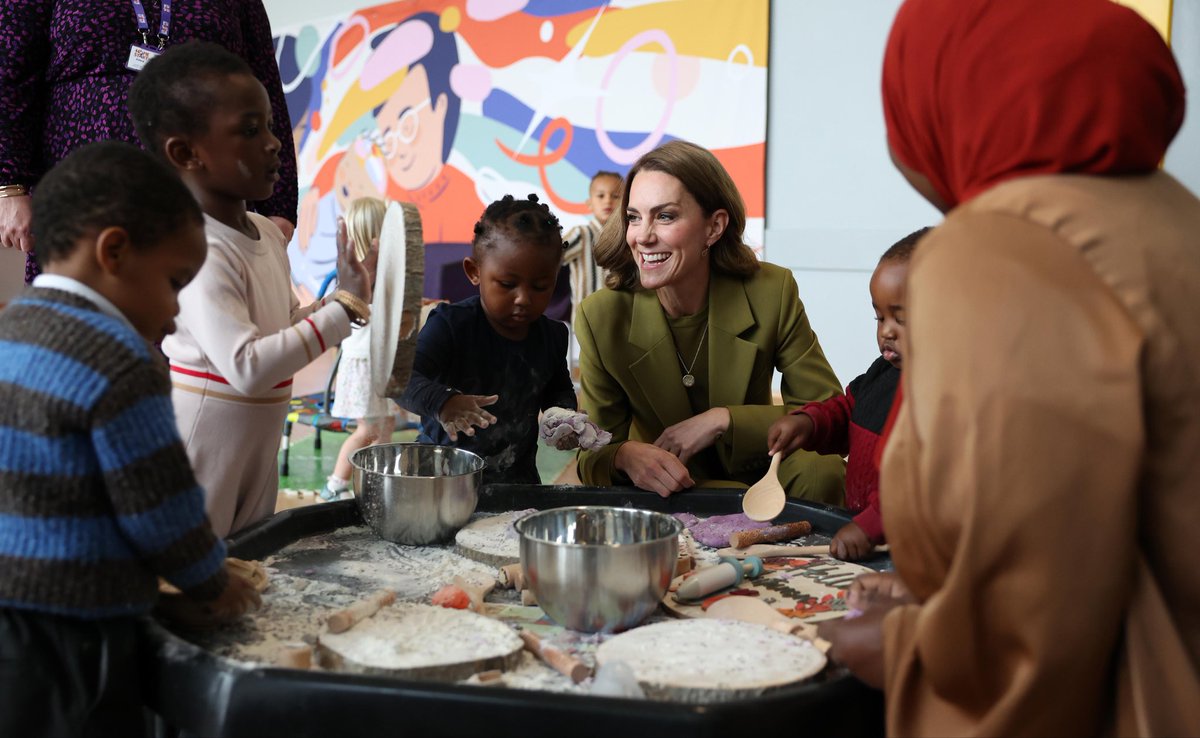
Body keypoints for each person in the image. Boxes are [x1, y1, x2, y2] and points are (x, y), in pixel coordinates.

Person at [819, 1, 1200, 735]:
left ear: (940, 96)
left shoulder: (995, 251)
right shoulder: (1178, 220)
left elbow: (1037, 599)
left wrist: (905, 647)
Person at [0, 141, 261, 736]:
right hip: (78, 638)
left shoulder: (11, 326)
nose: (174, 315)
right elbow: (160, 507)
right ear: (114, 251)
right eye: (174, 283)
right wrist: (211, 583)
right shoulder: (118, 359)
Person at [128, 42, 373, 537]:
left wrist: (334, 303)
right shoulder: (198, 245)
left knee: (251, 563)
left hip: (257, 438)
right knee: (197, 577)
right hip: (204, 440)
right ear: (185, 153)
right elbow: (246, 367)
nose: (274, 142)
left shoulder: (264, 231)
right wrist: (341, 310)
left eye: (269, 125)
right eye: (249, 129)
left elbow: (281, 328)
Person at [575, 140, 846, 501]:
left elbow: (827, 411)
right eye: (634, 217)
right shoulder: (601, 316)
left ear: (714, 227)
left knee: (822, 470)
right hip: (667, 487)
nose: (643, 236)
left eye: (665, 216)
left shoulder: (771, 290)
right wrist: (624, 456)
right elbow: (592, 454)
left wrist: (724, 420)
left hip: (760, 471)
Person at [0, 0, 298, 285]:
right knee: (88, 323)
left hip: (202, 199)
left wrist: (280, 205)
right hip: (84, 194)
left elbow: (263, 83)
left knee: (203, 319)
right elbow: (10, 72)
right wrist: (9, 185)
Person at [768, 228, 926, 560]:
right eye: (879, 317)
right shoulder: (882, 373)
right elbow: (847, 411)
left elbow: (919, 486)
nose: (885, 331)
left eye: (902, 319)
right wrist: (809, 424)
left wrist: (870, 525)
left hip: (908, 550)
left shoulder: (943, 399)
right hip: (860, 532)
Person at [400, 194, 577, 485]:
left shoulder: (552, 336)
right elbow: (403, 379)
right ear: (475, 272)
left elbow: (556, 387)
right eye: (507, 284)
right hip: (442, 481)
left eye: (540, 286)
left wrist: (563, 415)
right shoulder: (450, 326)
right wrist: (444, 402)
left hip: (517, 481)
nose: (523, 298)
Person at [323, 196, 399, 502]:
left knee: (386, 430)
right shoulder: (357, 275)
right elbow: (367, 313)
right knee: (367, 432)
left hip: (382, 362)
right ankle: (335, 485)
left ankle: (380, 487)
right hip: (365, 366)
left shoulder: (386, 271)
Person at [563, 171, 622, 306]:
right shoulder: (581, 234)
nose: (608, 200)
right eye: (601, 196)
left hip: (619, 317)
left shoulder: (627, 239)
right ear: (589, 203)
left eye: (616, 196)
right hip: (585, 320)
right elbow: (553, 253)